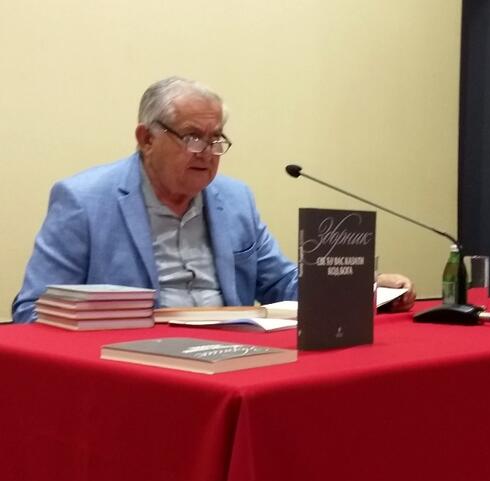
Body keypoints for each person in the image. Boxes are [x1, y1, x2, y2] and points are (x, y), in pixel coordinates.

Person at [12, 76, 415, 323]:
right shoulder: (84, 201)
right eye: (192, 137)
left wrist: (362, 287)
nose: (206, 152)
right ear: (146, 138)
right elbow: (32, 311)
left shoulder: (235, 199)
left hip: (234, 354)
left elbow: (280, 283)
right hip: (139, 365)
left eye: (215, 139)